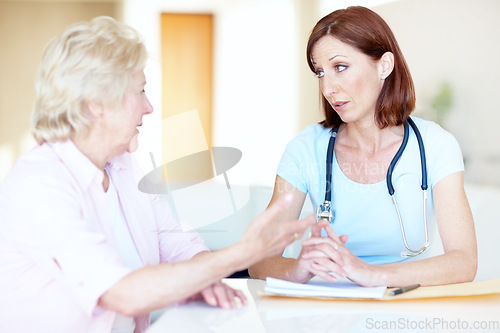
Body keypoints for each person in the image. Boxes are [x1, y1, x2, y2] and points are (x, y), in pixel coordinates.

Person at [0, 17, 314, 333]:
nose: (148, 107)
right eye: (140, 91)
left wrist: (203, 278)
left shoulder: (121, 165)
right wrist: (242, 253)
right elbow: (119, 293)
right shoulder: (38, 185)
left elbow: (175, 241)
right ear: (95, 104)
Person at [248, 6, 477, 288]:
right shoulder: (305, 149)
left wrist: (371, 275)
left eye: (340, 67)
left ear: (384, 65)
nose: (327, 88)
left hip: (404, 311)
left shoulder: (435, 145)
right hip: (325, 316)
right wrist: (299, 269)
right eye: (320, 72)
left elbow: (464, 261)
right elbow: (258, 261)